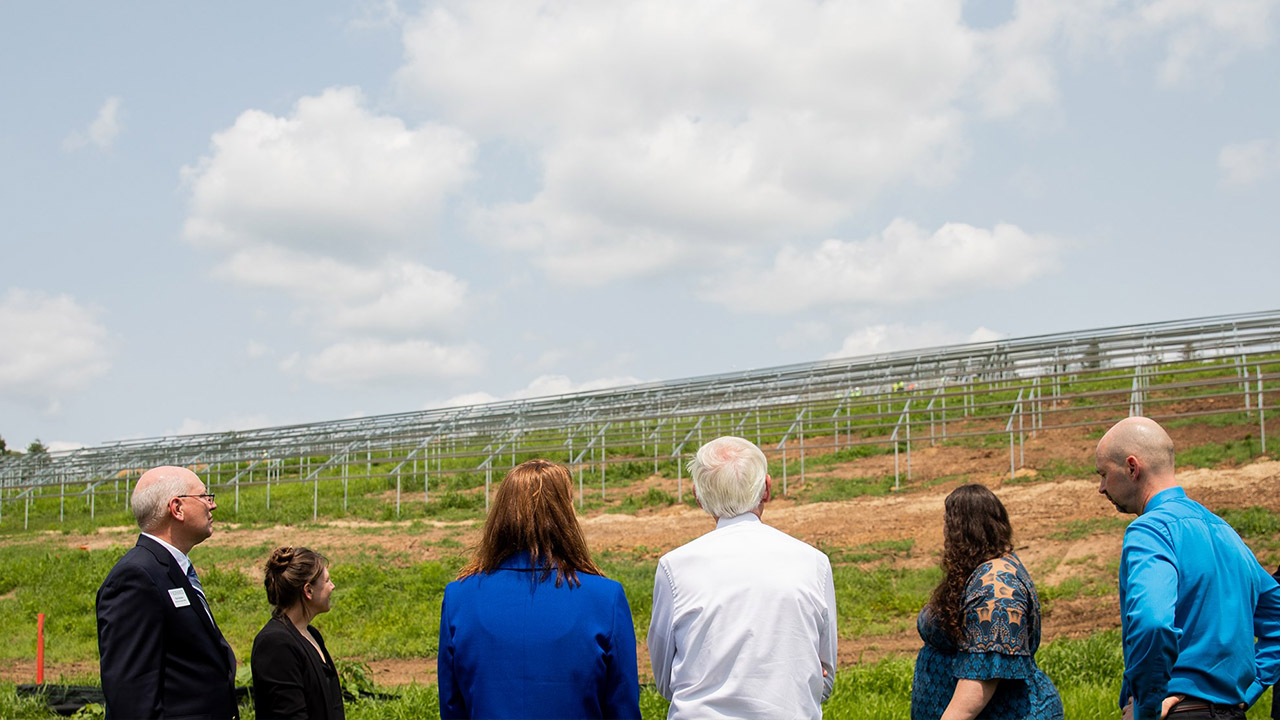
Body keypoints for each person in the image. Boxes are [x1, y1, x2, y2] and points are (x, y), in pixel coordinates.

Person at [1095, 416, 1280, 720]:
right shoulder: (1225, 532)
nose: (1101, 487)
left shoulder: (1150, 531)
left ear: (1132, 467)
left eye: (1103, 474)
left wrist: (1147, 708)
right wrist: (1248, 691)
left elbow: (1153, 621)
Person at [648, 436, 838, 719]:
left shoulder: (674, 567)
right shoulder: (813, 562)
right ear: (767, 489)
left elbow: (665, 681)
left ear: (698, 496)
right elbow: (824, 677)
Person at [437, 459, 641, 719]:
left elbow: (452, 707)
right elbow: (622, 707)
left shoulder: (459, 597)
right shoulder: (605, 597)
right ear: (565, 515)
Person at [96, 465, 239, 719]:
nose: (212, 505)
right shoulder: (136, 577)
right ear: (177, 508)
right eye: (204, 496)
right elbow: (131, 698)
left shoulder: (170, 569)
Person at [910, 484, 1063, 720]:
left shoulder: (996, 589)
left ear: (963, 530)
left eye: (948, 525)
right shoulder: (980, 571)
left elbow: (982, 677)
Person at [251, 546, 344, 720]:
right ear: (308, 590)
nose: (332, 587)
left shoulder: (311, 634)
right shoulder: (275, 644)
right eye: (327, 581)